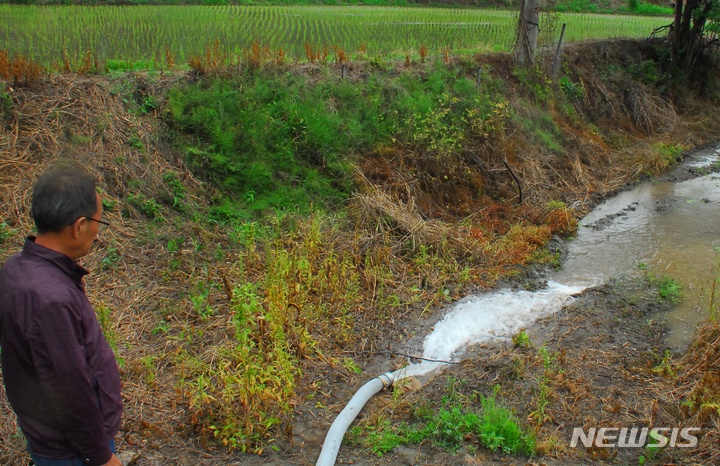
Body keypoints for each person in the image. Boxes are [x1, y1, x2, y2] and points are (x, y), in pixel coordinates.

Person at [0, 165, 123, 466]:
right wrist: (101, 456)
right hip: (72, 452)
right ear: (79, 226)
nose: (97, 233)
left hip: (53, 437)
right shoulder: (49, 298)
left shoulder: (17, 270)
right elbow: (69, 389)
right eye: (98, 222)